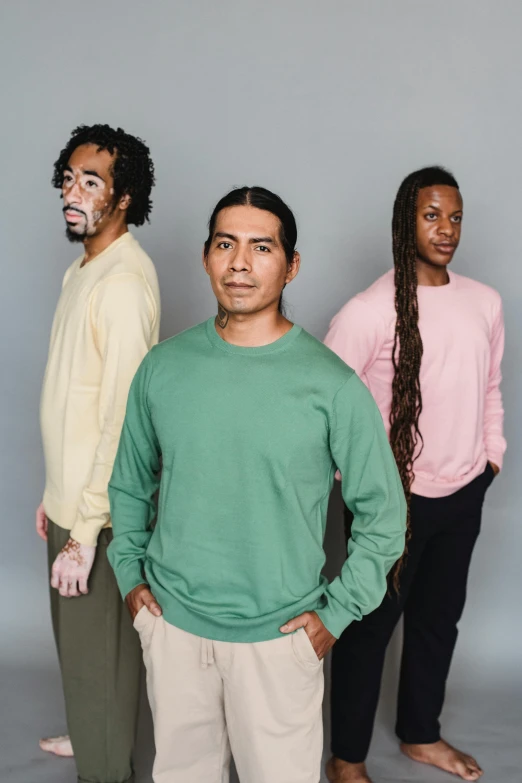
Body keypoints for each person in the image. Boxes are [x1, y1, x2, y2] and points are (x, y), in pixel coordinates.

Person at [107, 186, 406, 783]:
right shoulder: (162, 369)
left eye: (261, 247)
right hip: (172, 628)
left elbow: (384, 519)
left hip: (281, 639)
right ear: (206, 255)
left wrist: (337, 615)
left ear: (290, 265)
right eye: (226, 244)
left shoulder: (332, 385)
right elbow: (129, 484)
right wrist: (131, 580)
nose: (239, 263)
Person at [325, 166, 506, 783]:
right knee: (369, 628)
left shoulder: (484, 301)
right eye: (432, 215)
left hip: (463, 491)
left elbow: (490, 386)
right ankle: (346, 758)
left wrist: (492, 457)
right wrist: (365, 487)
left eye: (455, 216)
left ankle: (420, 734)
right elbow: (325, 408)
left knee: (437, 620)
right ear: (406, 220)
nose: (446, 228)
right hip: (390, 502)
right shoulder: (368, 310)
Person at [37, 124, 161, 783]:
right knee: (79, 649)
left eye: (91, 181)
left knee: (102, 656)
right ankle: (92, 734)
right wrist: (53, 494)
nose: (72, 191)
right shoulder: (82, 268)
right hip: (71, 497)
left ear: (123, 197)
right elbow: (72, 397)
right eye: (69, 176)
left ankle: (105, 761)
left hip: (101, 514)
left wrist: (84, 531)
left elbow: (122, 419)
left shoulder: (122, 283)